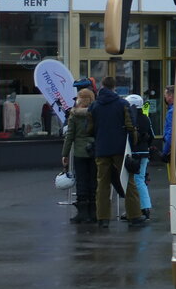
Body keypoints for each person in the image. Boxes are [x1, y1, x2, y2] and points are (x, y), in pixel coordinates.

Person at [89, 76, 134, 229]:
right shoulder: (123, 104)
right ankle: (134, 215)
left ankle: (102, 218)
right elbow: (130, 126)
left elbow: (89, 128)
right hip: (120, 148)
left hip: (101, 148)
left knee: (102, 184)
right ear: (114, 87)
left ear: (102, 86)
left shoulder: (94, 106)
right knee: (127, 181)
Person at [61, 87, 96, 224]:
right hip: (94, 151)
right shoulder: (96, 113)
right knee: (94, 181)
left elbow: (70, 136)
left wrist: (65, 154)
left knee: (81, 182)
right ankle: (94, 213)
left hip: (80, 152)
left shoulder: (74, 114)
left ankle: (82, 213)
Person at [125, 94, 154, 226]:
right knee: (140, 180)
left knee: (135, 181)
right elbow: (151, 136)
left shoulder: (131, 119)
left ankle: (141, 209)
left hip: (134, 153)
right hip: (144, 153)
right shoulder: (146, 118)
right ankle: (143, 208)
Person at [160, 85, 174, 163]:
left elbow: (171, 133)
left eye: (165, 95)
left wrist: (165, 152)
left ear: (170, 96)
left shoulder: (172, 112)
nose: (164, 97)